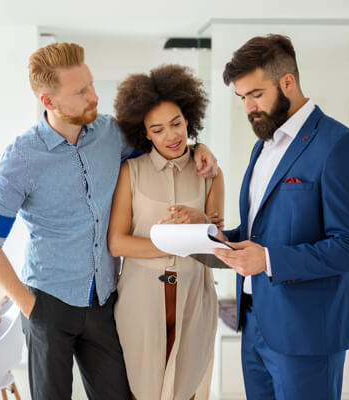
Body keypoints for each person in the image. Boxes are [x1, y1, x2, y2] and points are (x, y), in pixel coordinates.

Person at [0, 42, 218, 400]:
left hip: (104, 302)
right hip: (49, 305)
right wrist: (31, 308)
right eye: (81, 91)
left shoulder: (111, 134)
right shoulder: (20, 159)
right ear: (49, 102)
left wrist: (198, 148)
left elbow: (164, 144)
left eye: (90, 84)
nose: (94, 95)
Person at [213, 34, 349, 400]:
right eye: (242, 98)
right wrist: (213, 235)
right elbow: (262, 230)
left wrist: (267, 259)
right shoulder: (263, 146)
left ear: (288, 82)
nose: (248, 107)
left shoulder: (341, 146)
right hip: (255, 321)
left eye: (256, 94)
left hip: (309, 331)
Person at [108, 64, 225, 400]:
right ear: (145, 133)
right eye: (157, 129)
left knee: (188, 391)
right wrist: (171, 244)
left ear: (188, 118)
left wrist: (203, 219)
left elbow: (218, 246)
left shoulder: (210, 173)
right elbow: (117, 243)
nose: (171, 136)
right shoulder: (130, 172)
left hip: (196, 296)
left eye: (176, 123)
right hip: (140, 299)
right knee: (139, 393)